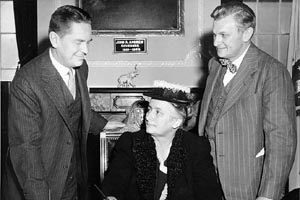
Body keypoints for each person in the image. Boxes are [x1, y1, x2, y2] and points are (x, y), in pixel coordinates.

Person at [2, 5, 124, 200]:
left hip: (72, 178)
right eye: (78, 42)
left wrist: (104, 124)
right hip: (39, 183)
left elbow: (74, 107)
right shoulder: (27, 82)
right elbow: (26, 152)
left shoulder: (80, 67)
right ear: (54, 39)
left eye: (88, 42)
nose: (85, 50)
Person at [197, 2, 297, 200]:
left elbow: (281, 140)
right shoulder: (214, 65)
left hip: (247, 182)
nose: (216, 42)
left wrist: (268, 195)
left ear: (246, 34)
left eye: (224, 35)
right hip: (208, 180)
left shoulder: (272, 71)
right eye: (215, 34)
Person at [101, 80, 222, 200]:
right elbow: (113, 185)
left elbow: (209, 195)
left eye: (158, 112)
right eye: (149, 109)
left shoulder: (196, 147)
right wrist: (111, 197)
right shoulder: (130, 143)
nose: (148, 117)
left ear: (176, 122)